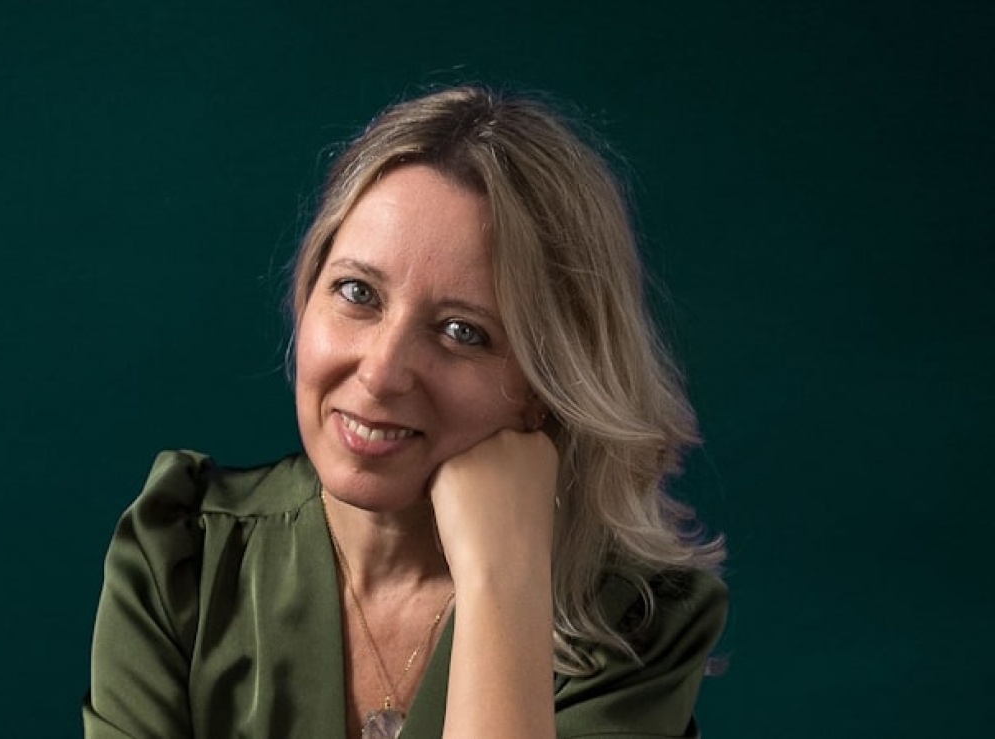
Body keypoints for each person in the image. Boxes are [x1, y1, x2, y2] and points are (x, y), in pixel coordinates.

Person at [82, 84, 728, 739]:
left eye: (462, 331)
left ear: (547, 382)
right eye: (357, 293)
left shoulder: (636, 626)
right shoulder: (183, 559)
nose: (381, 372)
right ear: (306, 295)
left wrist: (501, 582)